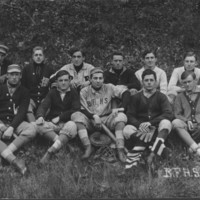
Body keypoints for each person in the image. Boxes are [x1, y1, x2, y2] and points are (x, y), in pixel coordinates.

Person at [71, 67, 130, 162]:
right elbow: (82, 109)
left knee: (121, 117)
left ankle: (120, 149)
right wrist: (94, 116)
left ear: (103, 79)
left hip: (107, 119)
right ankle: (88, 148)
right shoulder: (84, 91)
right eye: (95, 78)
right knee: (76, 116)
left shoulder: (109, 87)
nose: (98, 81)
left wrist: (121, 107)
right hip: (91, 120)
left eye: (100, 78)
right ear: (90, 79)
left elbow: (126, 92)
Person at [123, 69, 173, 169]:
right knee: (126, 129)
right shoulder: (136, 97)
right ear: (142, 82)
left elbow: (168, 113)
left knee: (166, 123)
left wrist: (151, 123)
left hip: (156, 127)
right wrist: (139, 125)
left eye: (151, 80)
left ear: (156, 82)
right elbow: (130, 115)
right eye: (146, 80)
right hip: (140, 129)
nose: (149, 82)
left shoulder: (161, 97)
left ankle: (151, 155)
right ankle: (158, 147)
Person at [35, 70, 80, 164]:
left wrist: (60, 117)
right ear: (56, 82)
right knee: (38, 125)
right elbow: (44, 106)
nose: (63, 83)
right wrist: (40, 116)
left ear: (69, 80)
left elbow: (76, 109)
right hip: (53, 124)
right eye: (60, 80)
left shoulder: (73, 92)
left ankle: (50, 151)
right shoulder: (52, 92)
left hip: (67, 123)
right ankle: (63, 143)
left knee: (72, 125)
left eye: (66, 80)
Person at [0, 64, 36, 175]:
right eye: (12, 74)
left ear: (20, 76)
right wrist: (1, 126)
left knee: (32, 130)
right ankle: (15, 161)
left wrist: (11, 128)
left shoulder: (25, 91)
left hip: (15, 122)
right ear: (7, 76)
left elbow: (22, 112)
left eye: (17, 74)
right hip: (0, 122)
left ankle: (5, 154)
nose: (14, 77)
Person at [21, 46, 54, 122]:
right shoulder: (27, 69)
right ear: (32, 57)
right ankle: (33, 125)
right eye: (36, 55)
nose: (38, 57)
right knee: (27, 108)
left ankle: (41, 122)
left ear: (44, 57)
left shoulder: (49, 69)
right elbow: (23, 86)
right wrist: (28, 98)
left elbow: (53, 87)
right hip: (30, 98)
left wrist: (47, 98)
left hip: (44, 98)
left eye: (40, 55)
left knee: (46, 108)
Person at [172, 71, 200, 157]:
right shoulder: (179, 96)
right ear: (182, 83)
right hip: (187, 127)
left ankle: (193, 150)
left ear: (195, 81)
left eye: (189, 81)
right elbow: (177, 113)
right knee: (175, 122)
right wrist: (186, 120)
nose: (187, 84)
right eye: (185, 82)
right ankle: (196, 148)